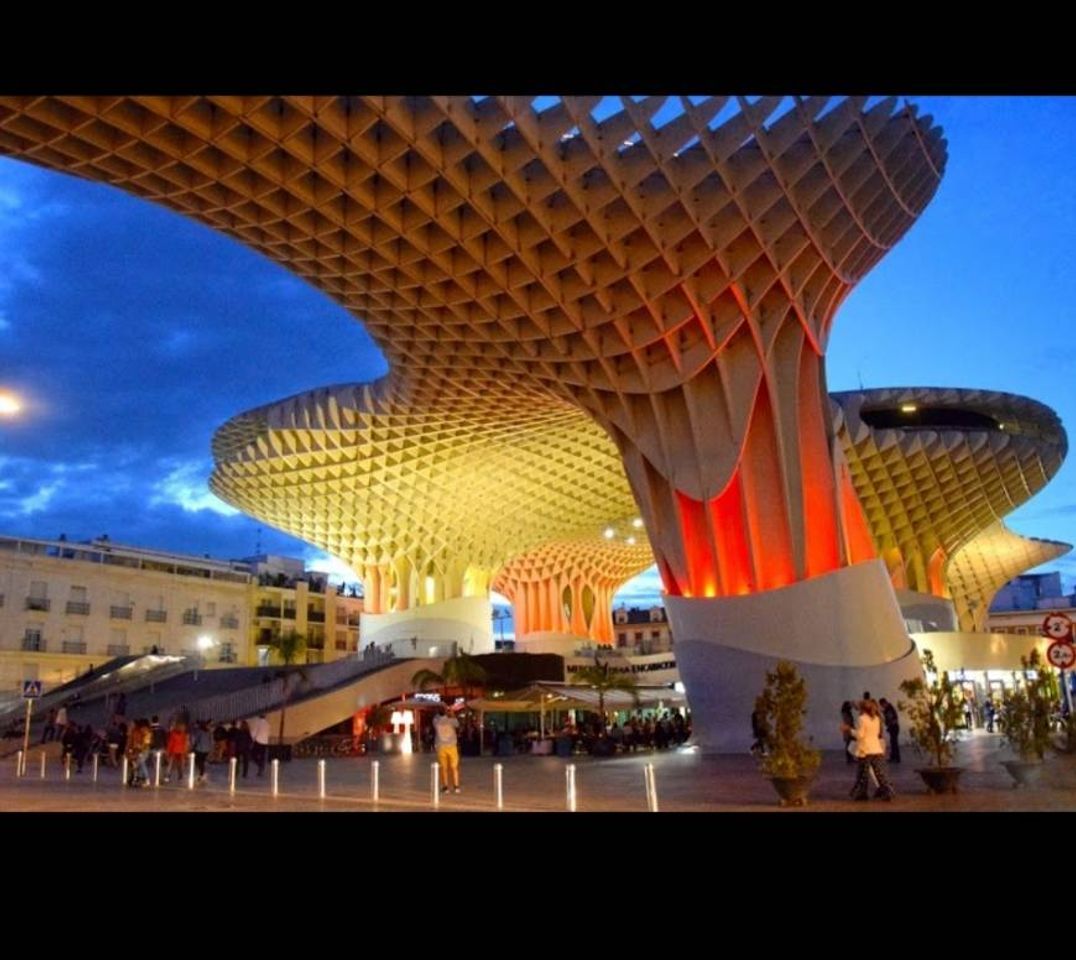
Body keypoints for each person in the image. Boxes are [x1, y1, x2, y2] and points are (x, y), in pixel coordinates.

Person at [841, 699, 895, 801]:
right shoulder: (876, 719)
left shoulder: (862, 719)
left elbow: (860, 735)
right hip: (876, 748)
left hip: (865, 750)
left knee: (862, 774)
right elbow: (877, 732)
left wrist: (849, 730)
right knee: (880, 773)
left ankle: (862, 793)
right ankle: (887, 792)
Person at [433, 705, 461, 794]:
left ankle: (445, 787)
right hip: (452, 745)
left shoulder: (436, 721)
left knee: (443, 768)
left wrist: (440, 712)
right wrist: (451, 713)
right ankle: (456, 786)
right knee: (454, 767)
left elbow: (435, 717)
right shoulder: (451, 721)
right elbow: (457, 724)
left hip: (441, 746)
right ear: (445, 712)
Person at [879, 697, 901, 764]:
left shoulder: (889, 709)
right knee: (893, 742)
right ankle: (894, 757)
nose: (882, 707)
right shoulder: (888, 708)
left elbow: (892, 719)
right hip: (893, 727)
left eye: (882, 705)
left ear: (884, 703)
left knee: (894, 742)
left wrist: (888, 723)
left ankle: (896, 758)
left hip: (893, 727)